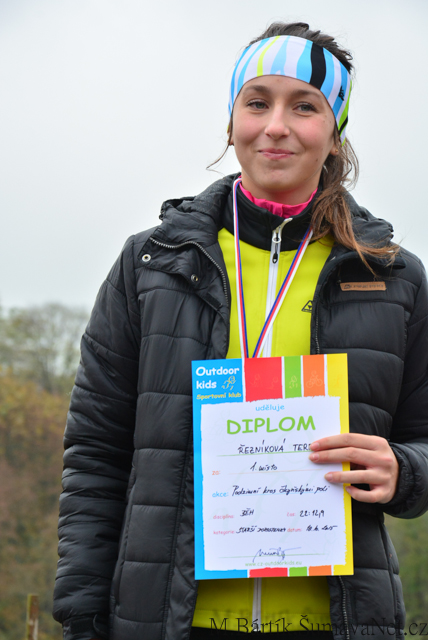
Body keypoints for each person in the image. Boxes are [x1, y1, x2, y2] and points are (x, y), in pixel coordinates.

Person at [53, 21, 428, 640]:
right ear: (232, 122)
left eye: (304, 106)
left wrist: (404, 470)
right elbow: (96, 454)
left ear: (334, 132)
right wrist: (83, 616)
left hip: (334, 624)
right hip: (169, 623)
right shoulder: (151, 266)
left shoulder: (393, 277)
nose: (276, 125)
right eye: (256, 103)